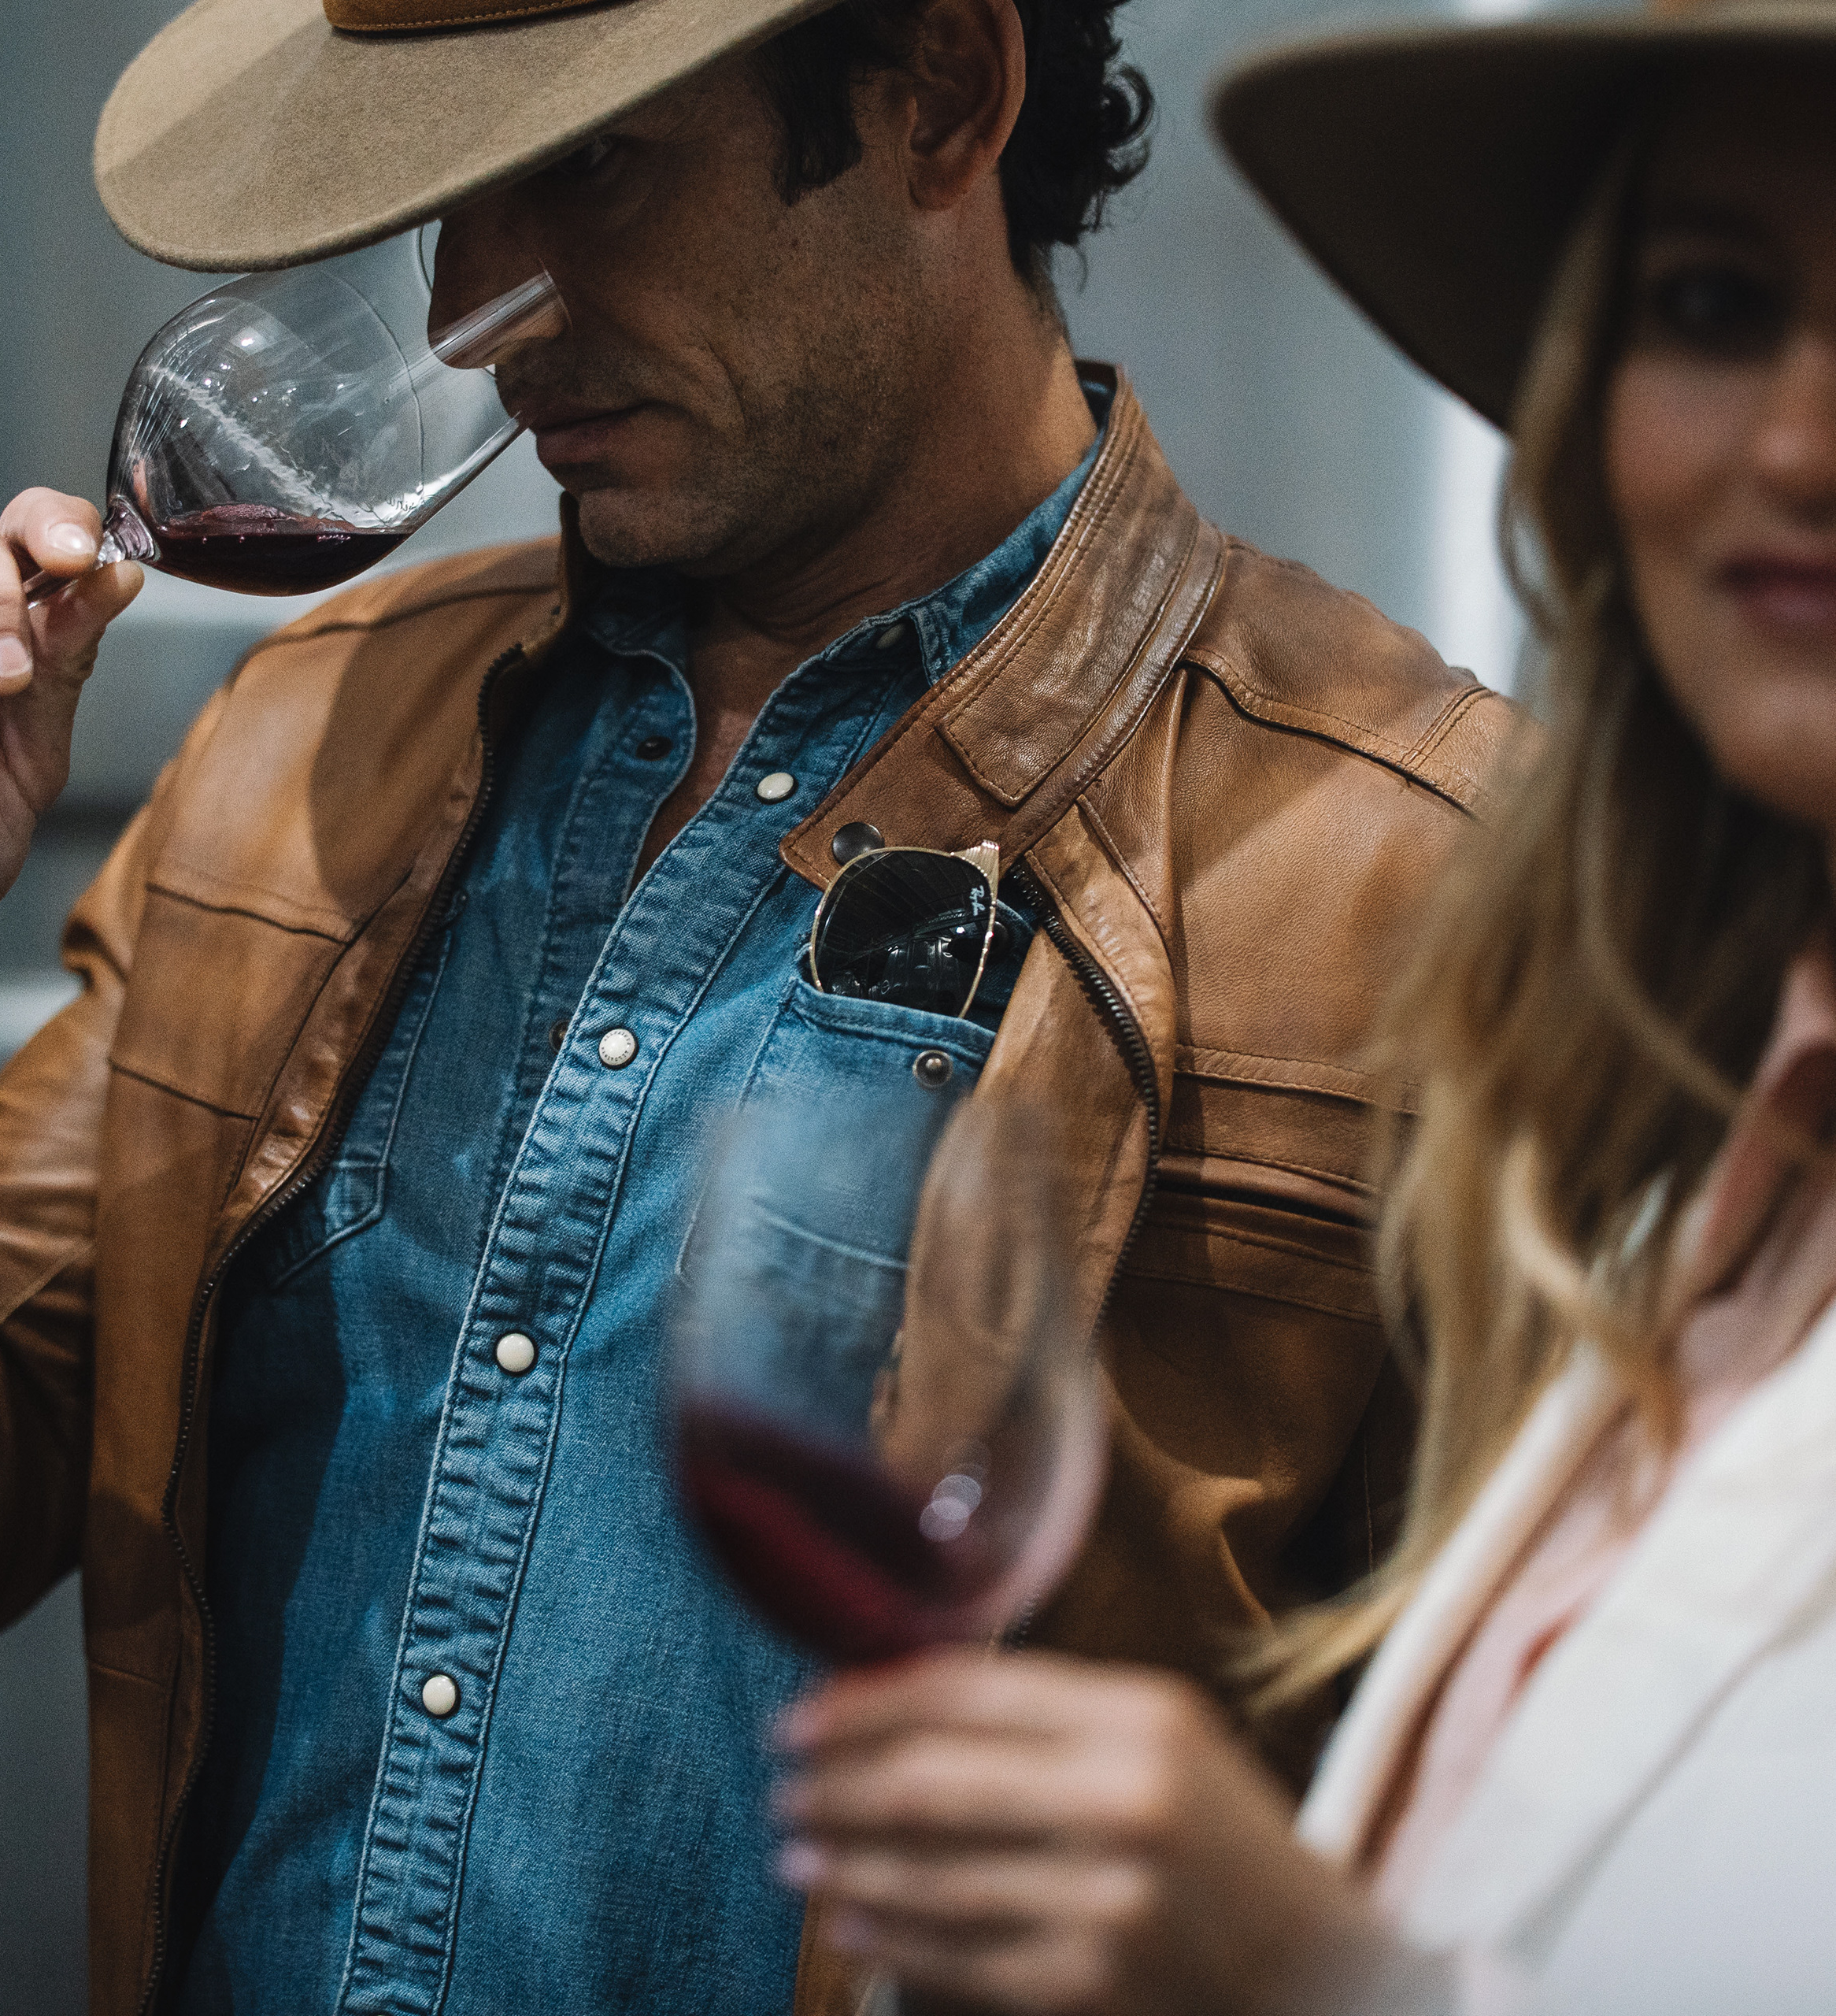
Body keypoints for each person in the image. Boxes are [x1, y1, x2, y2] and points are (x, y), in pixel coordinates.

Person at [0, 0, 1511, 2010]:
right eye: (452, 195)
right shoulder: (307, 738)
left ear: (941, 95)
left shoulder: (1429, 884)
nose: (476, 315)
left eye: (589, 166)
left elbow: (1588, 1854)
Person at [769, 4, 1836, 2010]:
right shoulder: (1722, 1153)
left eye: (596, 169)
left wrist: (1305, 1974)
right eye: (1711, 304)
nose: (1796, 446)